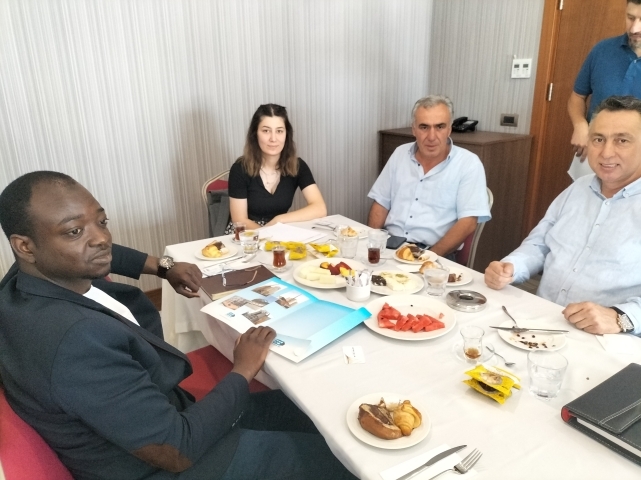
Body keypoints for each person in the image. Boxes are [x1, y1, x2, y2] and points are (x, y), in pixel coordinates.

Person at [0, 171, 356, 480]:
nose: (101, 239)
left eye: (102, 222)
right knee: (344, 460)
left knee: (318, 413)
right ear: (25, 246)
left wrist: (163, 266)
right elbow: (178, 450)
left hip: (161, 418)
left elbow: (105, 250)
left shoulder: (25, 280)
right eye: (74, 231)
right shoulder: (74, 342)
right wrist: (243, 369)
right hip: (168, 463)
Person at [485, 96, 641, 337]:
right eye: (598, 139)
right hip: (540, 323)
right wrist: (512, 266)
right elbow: (540, 243)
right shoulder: (578, 189)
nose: (606, 152)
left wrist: (621, 317)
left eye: (622, 140)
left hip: (607, 341)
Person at [367, 95, 491, 257]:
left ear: (449, 129)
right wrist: (372, 247)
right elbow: (381, 203)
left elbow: (468, 222)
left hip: (434, 253)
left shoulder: (468, 163)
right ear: (413, 129)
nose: (432, 137)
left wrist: (427, 258)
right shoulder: (400, 153)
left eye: (440, 127)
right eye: (424, 127)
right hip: (390, 245)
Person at [567, 0, 641, 177]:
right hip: (595, 151)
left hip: (636, 157)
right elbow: (577, 97)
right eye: (631, 18)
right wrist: (580, 125)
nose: (634, 28)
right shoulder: (602, 50)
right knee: (584, 193)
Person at [226, 104, 327, 232]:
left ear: (286, 134)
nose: (273, 139)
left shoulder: (298, 166)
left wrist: (279, 220)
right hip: (246, 234)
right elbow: (239, 220)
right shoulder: (239, 169)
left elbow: (320, 208)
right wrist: (270, 233)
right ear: (255, 134)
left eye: (279, 131)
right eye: (266, 131)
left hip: (278, 231)